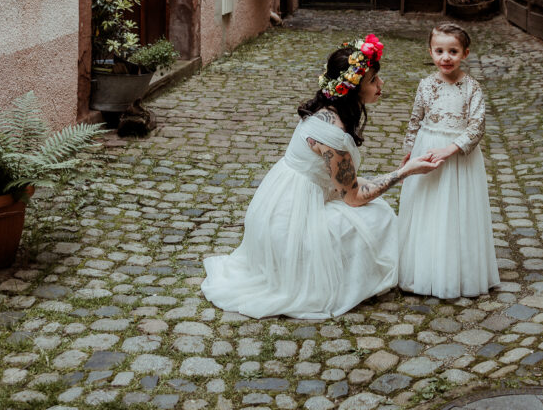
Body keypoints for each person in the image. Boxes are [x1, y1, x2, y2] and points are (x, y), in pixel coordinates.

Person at [202, 33, 440, 319]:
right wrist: (405, 172)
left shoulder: (323, 112)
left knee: (372, 209)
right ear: (351, 89)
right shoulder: (333, 135)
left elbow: (343, 183)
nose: (381, 84)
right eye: (373, 80)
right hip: (290, 222)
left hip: (279, 202)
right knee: (379, 216)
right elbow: (352, 197)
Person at [397, 22, 499, 298]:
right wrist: (409, 151)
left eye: (453, 51)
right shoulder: (425, 85)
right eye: (439, 50)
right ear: (430, 52)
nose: (445, 57)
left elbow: (477, 127)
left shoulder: (471, 88)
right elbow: (415, 120)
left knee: (456, 210)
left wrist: (450, 149)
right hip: (426, 149)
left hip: (458, 157)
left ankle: (458, 272)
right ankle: (423, 268)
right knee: (426, 206)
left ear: (465, 53)